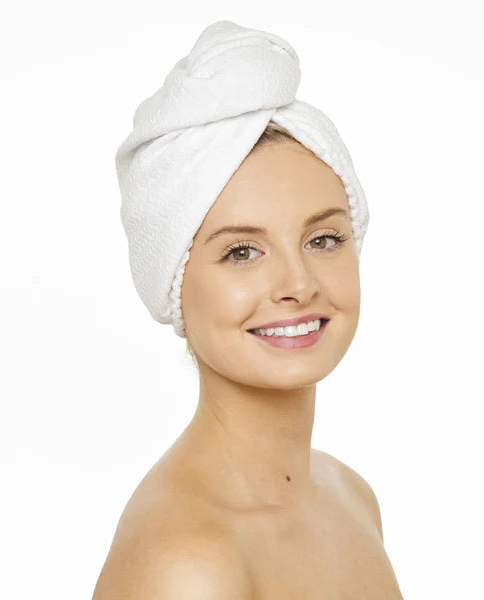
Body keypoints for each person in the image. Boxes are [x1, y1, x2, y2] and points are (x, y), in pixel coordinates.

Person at [93, 21, 404, 599]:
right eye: (242, 252)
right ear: (173, 284)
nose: (298, 284)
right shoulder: (185, 564)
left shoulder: (352, 498)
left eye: (323, 239)